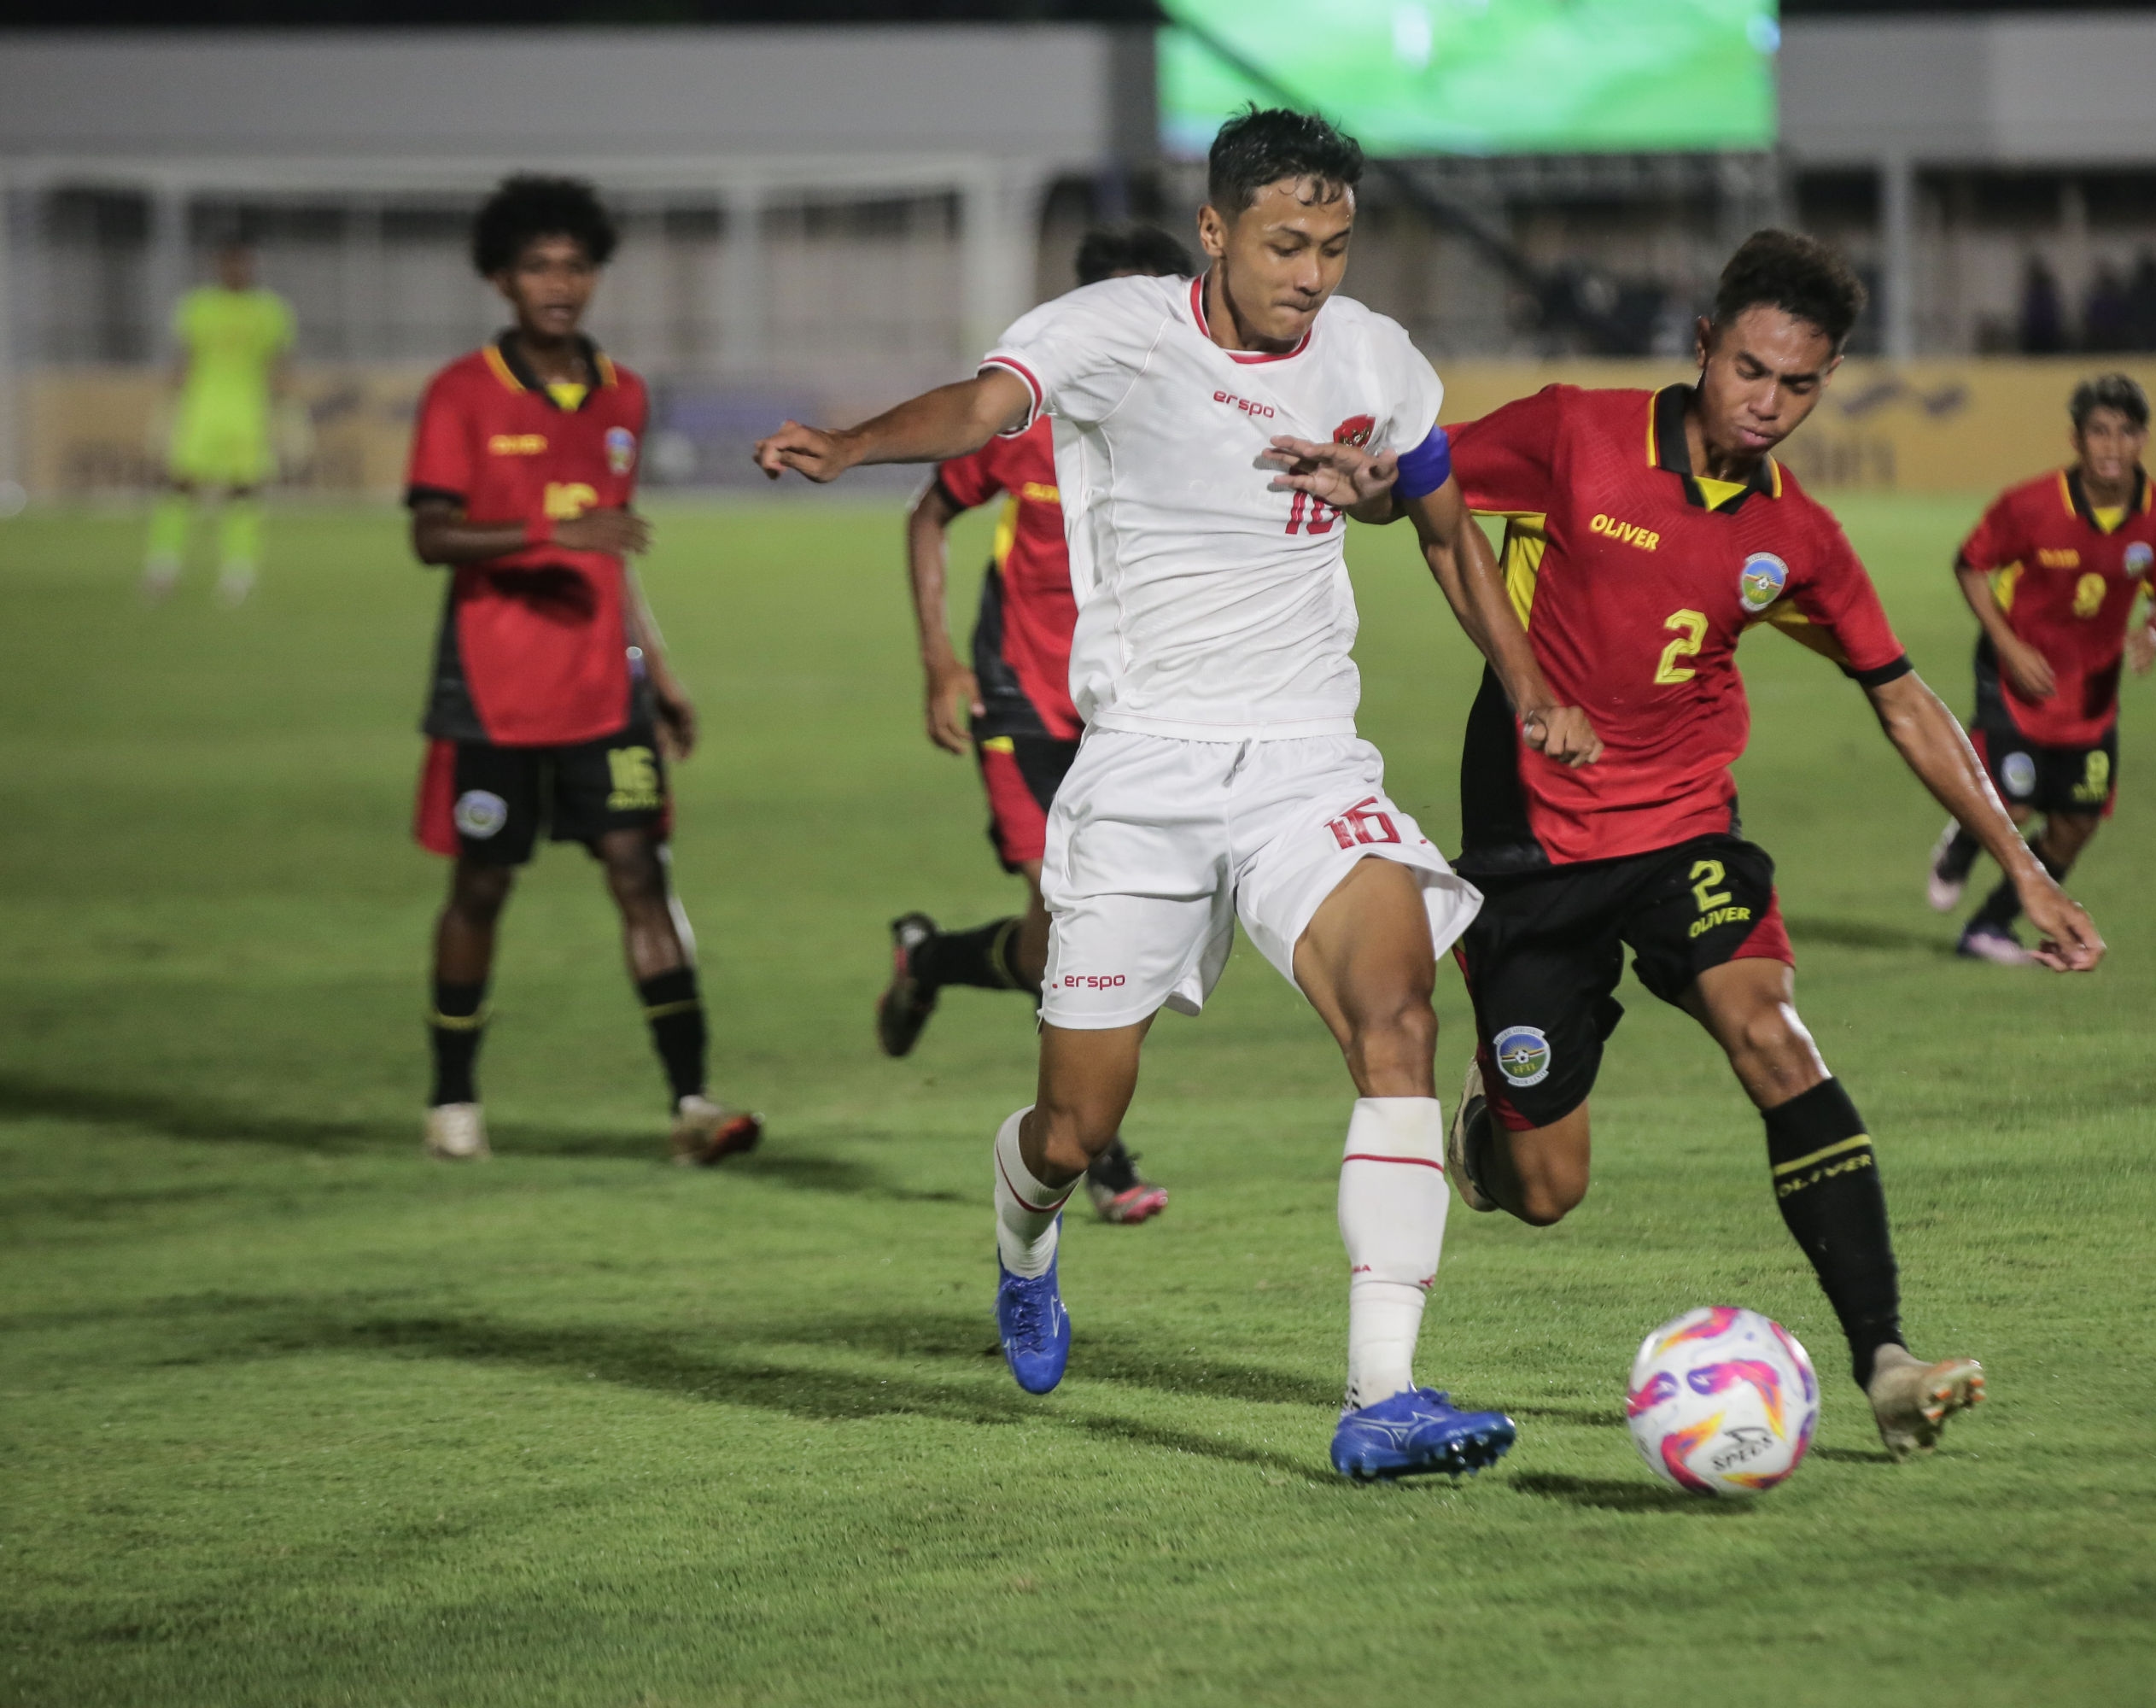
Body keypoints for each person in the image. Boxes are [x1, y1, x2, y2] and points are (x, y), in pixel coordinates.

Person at [757, 108, 1600, 1481]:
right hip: (1144, 761)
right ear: (1214, 232)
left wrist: (1527, 687)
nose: (1312, 273)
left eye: (1332, 244)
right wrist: (856, 445)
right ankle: (1024, 1238)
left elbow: (1444, 524)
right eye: (1285, 244)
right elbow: (986, 408)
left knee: (1397, 1017)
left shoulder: (1377, 356)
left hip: (1304, 761)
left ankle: (1382, 1396)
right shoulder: (1119, 330)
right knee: (1072, 1129)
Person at [1311, 230, 2106, 1462]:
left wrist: (2024, 868)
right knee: (1546, 1192)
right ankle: (1495, 1129)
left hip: (1685, 829)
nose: (1768, 404)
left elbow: (1900, 694)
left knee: (1773, 1038)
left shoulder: (1799, 540)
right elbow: (1427, 489)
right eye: (1750, 370)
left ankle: (1886, 1357)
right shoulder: (1575, 432)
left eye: (1799, 384)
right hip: (1534, 850)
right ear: (1702, 345)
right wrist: (1361, 480)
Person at [406, 174, 761, 1167]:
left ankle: (692, 1100)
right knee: (482, 887)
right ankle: (452, 1099)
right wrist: (543, 528)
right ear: (500, 278)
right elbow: (432, 536)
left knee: (641, 872)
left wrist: (658, 667)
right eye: (536, 266)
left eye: (573, 265)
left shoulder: (624, 394)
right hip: (492, 688)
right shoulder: (461, 393)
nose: (558, 284)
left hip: (606, 689)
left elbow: (611, 548)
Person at [878, 224, 1195, 1228]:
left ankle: (930, 958)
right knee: (1070, 913)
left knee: (1077, 930)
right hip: (1020, 701)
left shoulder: (1191, 432)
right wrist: (939, 656)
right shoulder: (1027, 426)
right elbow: (928, 513)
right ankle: (1096, 1153)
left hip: (1129, 715)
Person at [1927, 373, 2156, 962]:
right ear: (2076, 439)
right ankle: (1964, 840)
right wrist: (2008, 644)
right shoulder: (2031, 506)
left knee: (2077, 825)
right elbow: (1969, 565)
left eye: (2124, 433)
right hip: (2016, 677)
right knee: (2013, 807)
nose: (2112, 447)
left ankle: (1991, 925)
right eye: (2099, 432)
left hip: (2091, 696)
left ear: (2143, 438)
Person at [142, 242, 295, 605]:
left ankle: (238, 573)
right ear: (218, 264)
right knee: (178, 486)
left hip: (249, 415)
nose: (236, 270)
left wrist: (287, 415)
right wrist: (167, 411)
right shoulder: (198, 306)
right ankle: (163, 567)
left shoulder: (271, 310)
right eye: (229, 263)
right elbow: (182, 361)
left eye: (242, 263)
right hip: (201, 411)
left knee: (244, 492)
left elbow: (280, 367)